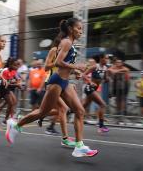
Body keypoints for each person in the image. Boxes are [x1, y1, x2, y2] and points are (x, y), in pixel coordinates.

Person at [6, 18, 98, 157]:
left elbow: (65, 65)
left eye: (81, 29)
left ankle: (79, 146)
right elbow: (58, 62)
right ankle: (16, 125)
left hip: (65, 82)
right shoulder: (66, 42)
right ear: (71, 29)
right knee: (42, 112)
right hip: (56, 81)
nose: (81, 31)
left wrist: (75, 72)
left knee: (79, 110)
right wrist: (76, 66)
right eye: (79, 28)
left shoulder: (71, 44)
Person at [38, 35, 76, 146]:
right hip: (51, 81)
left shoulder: (66, 51)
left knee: (62, 109)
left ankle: (42, 116)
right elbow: (46, 67)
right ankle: (64, 139)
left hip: (60, 82)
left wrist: (75, 71)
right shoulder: (54, 50)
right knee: (63, 108)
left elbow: (65, 68)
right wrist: (57, 62)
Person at [82, 54, 110, 133]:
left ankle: (69, 112)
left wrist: (107, 78)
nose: (107, 60)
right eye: (106, 58)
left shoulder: (105, 68)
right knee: (103, 105)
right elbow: (83, 75)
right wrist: (90, 82)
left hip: (94, 89)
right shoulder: (95, 66)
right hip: (89, 88)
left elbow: (104, 79)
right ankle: (101, 126)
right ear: (101, 59)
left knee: (83, 106)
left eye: (108, 59)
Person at [0, 57, 21, 124]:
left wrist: (18, 83)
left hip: (6, 90)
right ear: (10, 64)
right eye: (15, 65)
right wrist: (16, 85)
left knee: (11, 102)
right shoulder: (5, 71)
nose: (16, 67)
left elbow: (16, 79)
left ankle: (6, 120)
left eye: (17, 65)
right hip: (0, 88)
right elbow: (5, 84)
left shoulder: (13, 71)